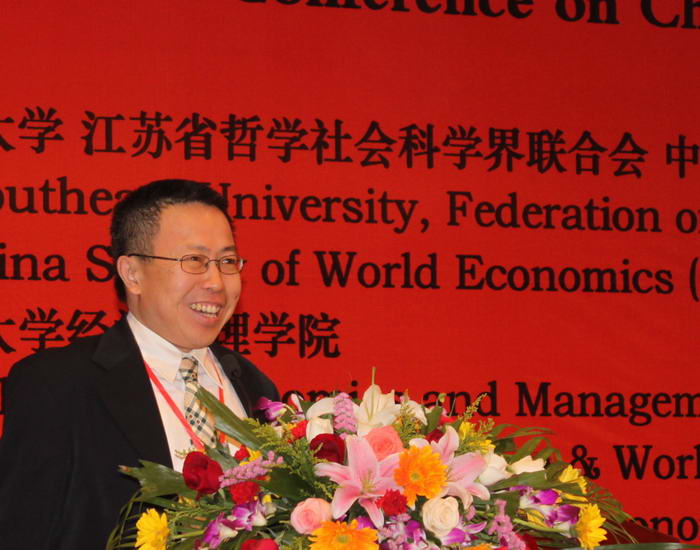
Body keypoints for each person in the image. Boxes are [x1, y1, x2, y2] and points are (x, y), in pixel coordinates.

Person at [0, 179, 278, 549]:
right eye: (194, 261)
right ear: (132, 273)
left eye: (227, 262)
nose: (216, 282)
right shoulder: (58, 385)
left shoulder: (256, 387)